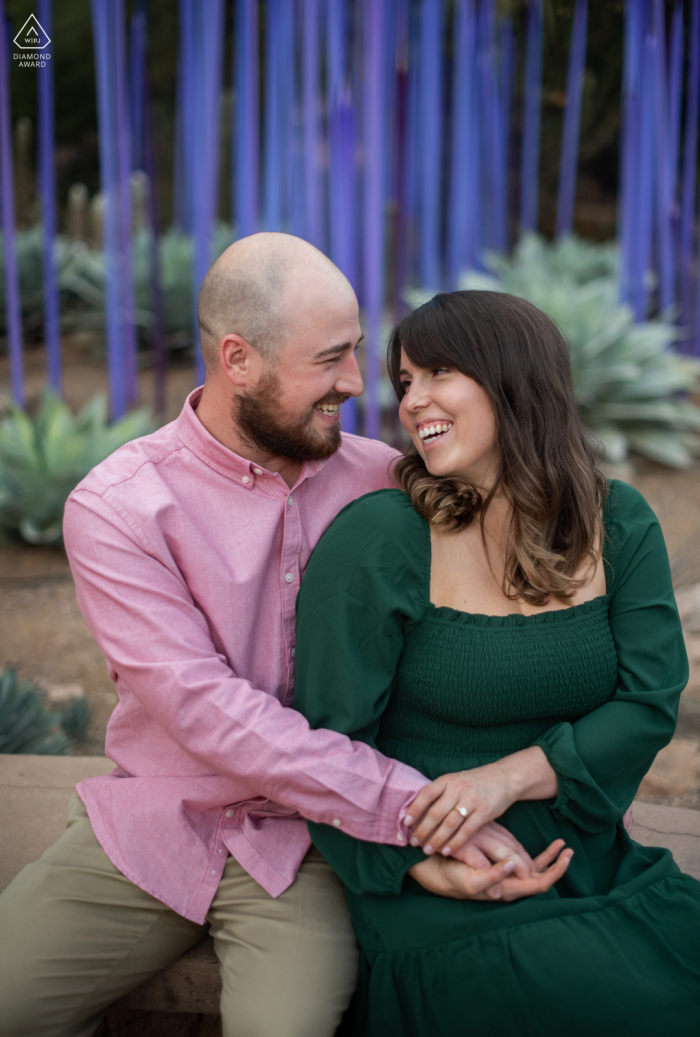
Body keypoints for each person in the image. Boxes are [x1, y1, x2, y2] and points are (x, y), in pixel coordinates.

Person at [0, 238, 555, 1037]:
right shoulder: (118, 507)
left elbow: (509, 570)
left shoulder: (385, 483)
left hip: (316, 841)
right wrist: (410, 809)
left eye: (359, 352)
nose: (358, 384)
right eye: (330, 359)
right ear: (239, 360)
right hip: (155, 824)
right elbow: (206, 711)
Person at [294, 289, 700, 1037]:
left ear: (516, 380)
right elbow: (325, 746)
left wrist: (505, 776)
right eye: (405, 381)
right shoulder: (381, 538)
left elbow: (647, 706)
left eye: (439, 372)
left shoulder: (619, 523)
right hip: (434, 873)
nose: (414, 401)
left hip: (590, 855)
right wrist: (418, 864)